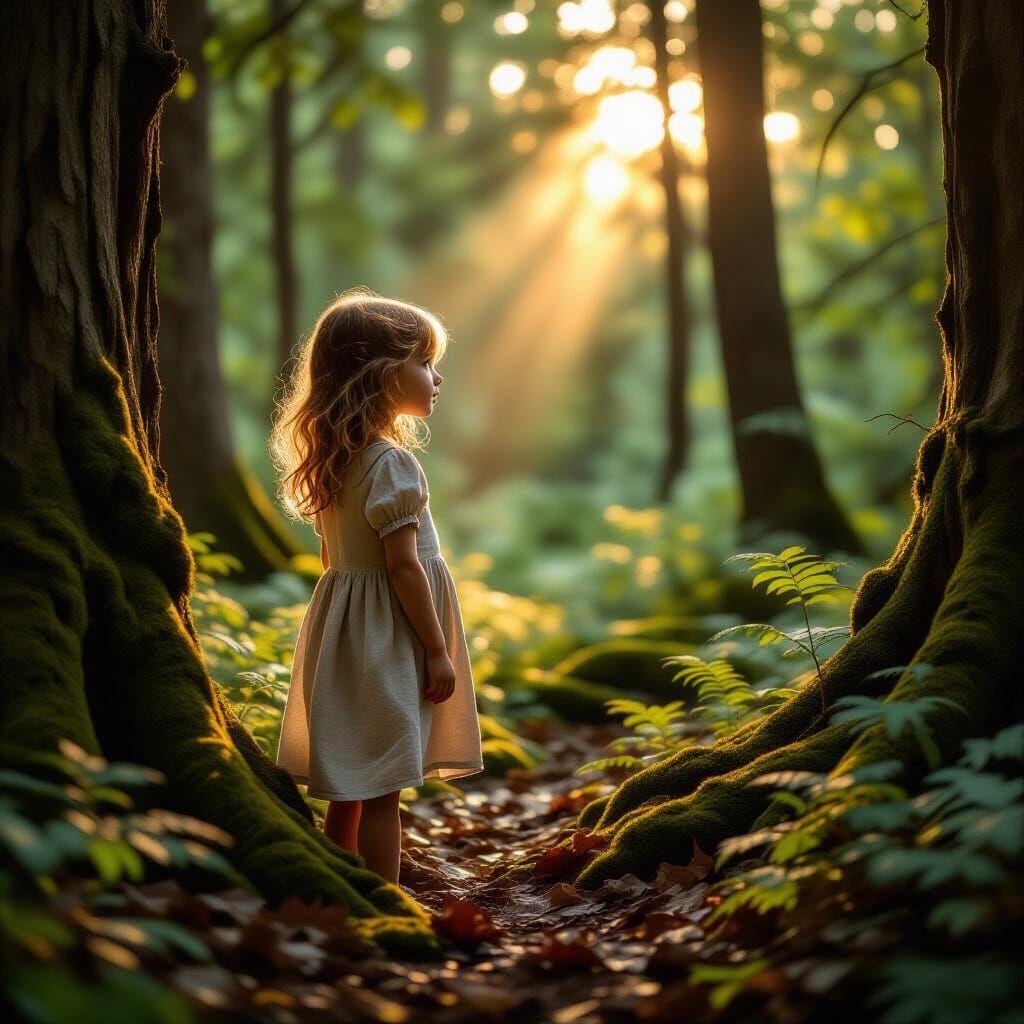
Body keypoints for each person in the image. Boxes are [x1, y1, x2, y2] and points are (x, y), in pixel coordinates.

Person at [269, 286, 484, 886]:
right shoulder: (390, 463)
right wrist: (436, 648)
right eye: (424, 362)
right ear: (381, 375)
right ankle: (383, 897)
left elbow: (332, 555)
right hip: (392, 636)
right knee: (384, 787)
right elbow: (404, 565)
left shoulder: (337, 459)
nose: (436, 377)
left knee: (351, 785)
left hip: (345, 633)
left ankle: (339, 887)